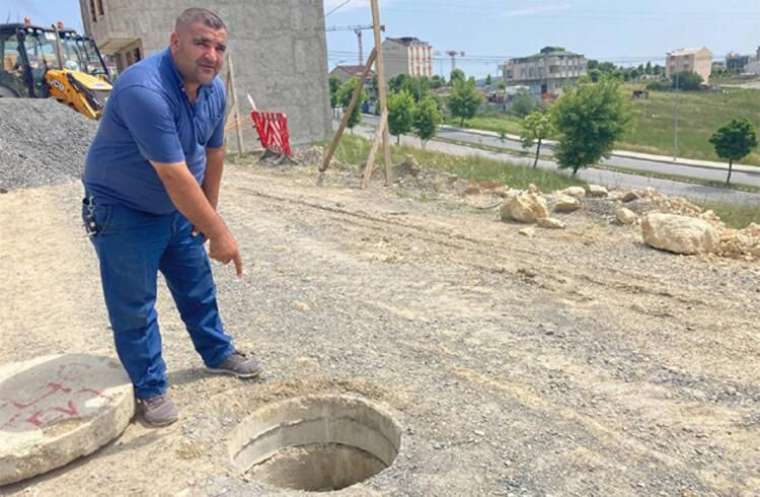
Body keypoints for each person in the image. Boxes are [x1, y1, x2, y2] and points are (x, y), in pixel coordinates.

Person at [82, 8, 262, 427]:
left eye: (219, 47)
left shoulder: (213, 90)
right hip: (122, 208)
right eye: (201, 43)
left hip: (177, 209)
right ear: (175, 41)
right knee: (135, 304)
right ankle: (149, 387)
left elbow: (213, 153)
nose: (211, 55)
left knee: (196, 284)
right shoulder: (143, 89)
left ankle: (217, 352)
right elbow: (173, 173)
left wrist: (207, 215)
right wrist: (221, 234)